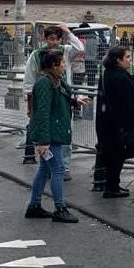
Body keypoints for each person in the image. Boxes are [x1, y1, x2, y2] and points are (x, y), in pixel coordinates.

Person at [25, 50, 90, 223]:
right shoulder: (45, 83)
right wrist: (43, 140)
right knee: (58, 168)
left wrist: (76, 101)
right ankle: (60, 208)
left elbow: (63, 96)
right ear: (54, 65)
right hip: (49, 135)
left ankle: (34, 205)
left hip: (53, 132)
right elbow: (43, 112)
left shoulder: (56, 81)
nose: (65, 65)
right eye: (62, 63)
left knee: (45, 169)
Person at [25, 24, 84, 180]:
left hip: (62, 98)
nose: (54, 42)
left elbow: (79, 48)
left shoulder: (65, 51)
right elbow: (29, 77)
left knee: (64, 132)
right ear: (45, 39)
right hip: (45, 97)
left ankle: (63, 166)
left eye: (57, 39)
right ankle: (49, 164)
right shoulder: (37, 55)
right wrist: (30, 100)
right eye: (51, 39)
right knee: (47, 130)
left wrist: (68, 32)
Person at [96, 46, 134, 198]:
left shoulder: (110, 73)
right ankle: (112, 187)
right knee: (116, 155)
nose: (129, 60)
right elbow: (132, 97)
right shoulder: (119, 76)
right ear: (118, 60)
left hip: (109, 122)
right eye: (127, 57)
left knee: (115, 155)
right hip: (118, 123)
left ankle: (113, 184)